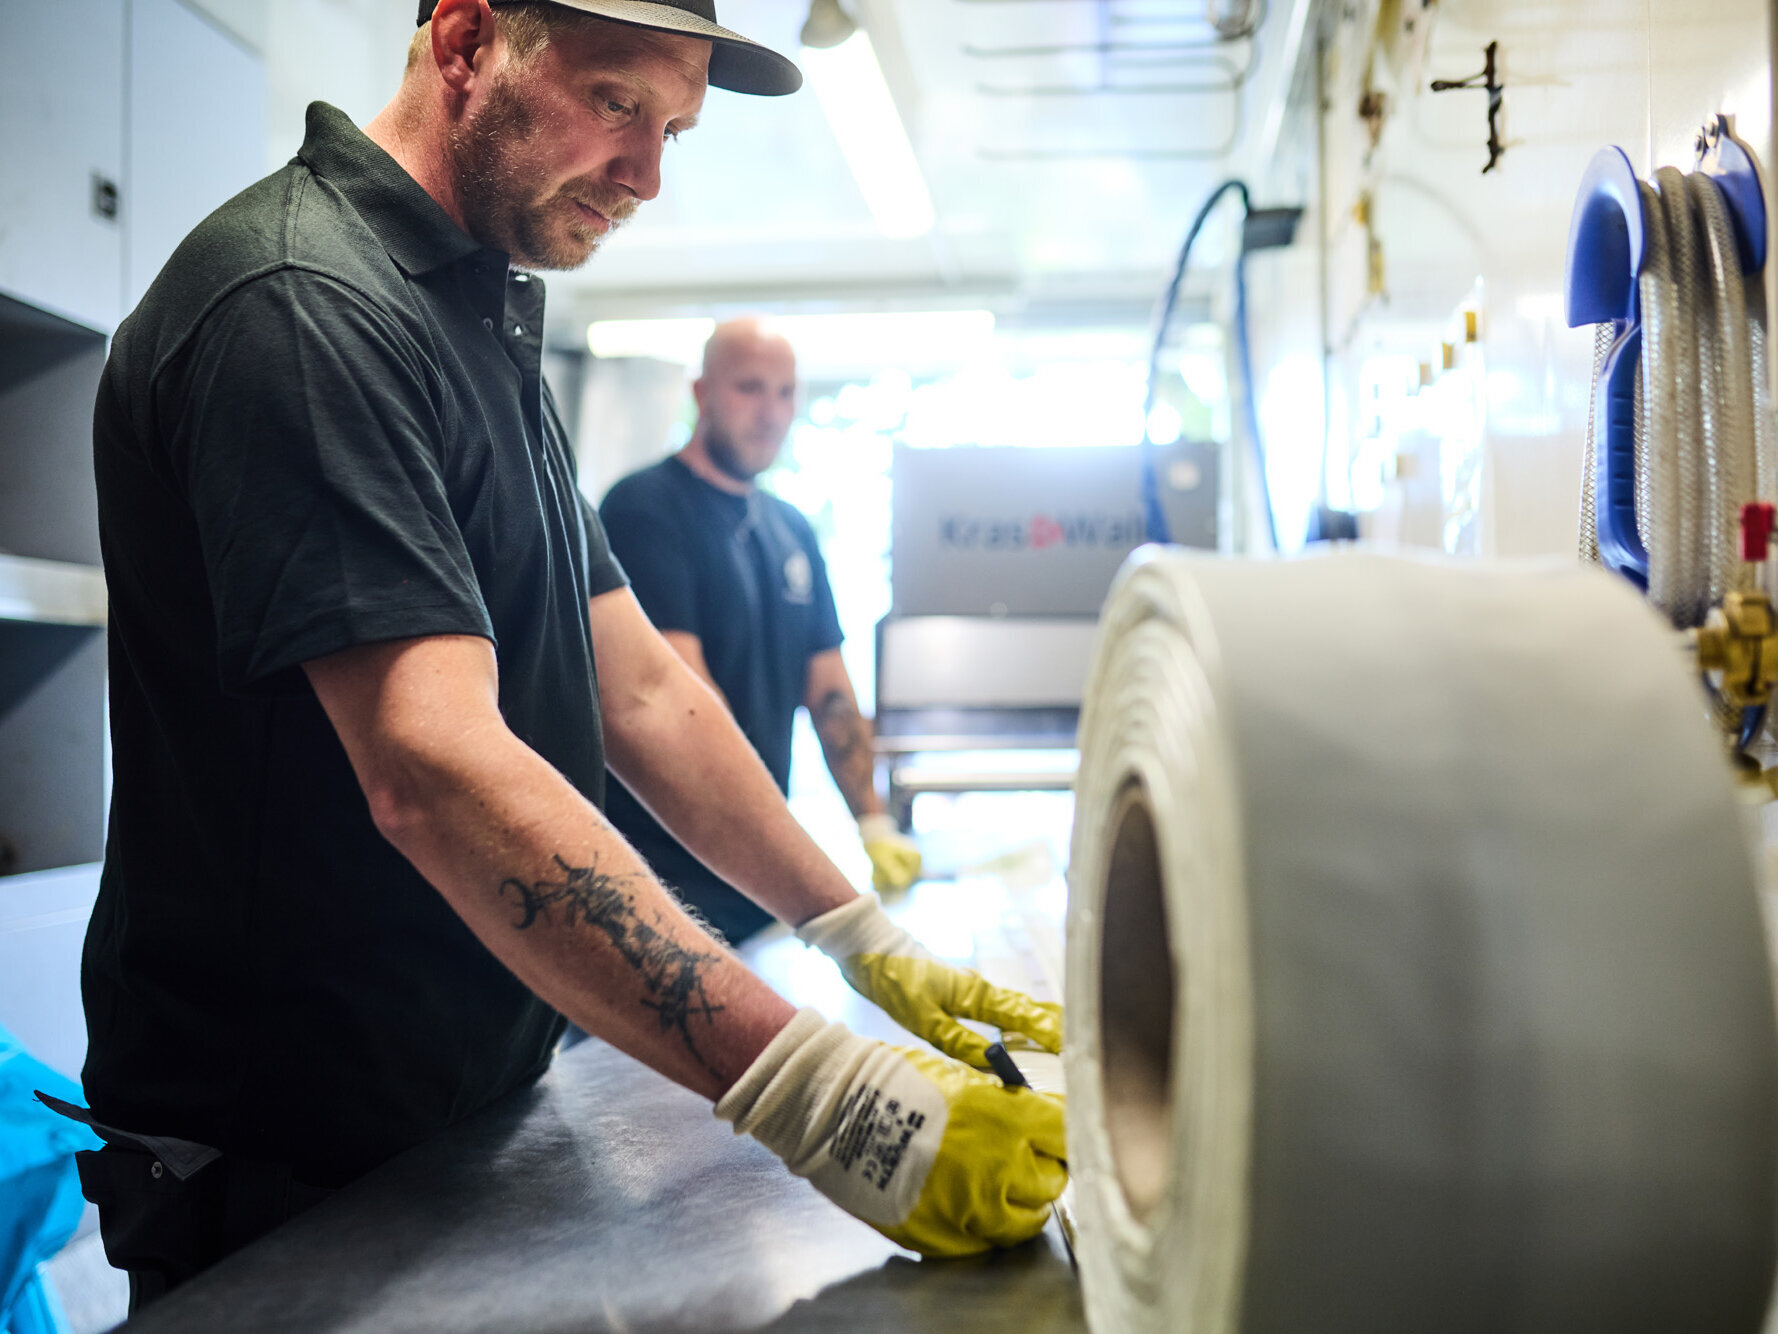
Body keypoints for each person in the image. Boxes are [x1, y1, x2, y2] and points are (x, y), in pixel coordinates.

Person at [69, 0, 1064, 1310]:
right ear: (468, 39)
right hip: (289, 1152)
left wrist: (853, 930)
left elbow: (639, 684)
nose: (649, 174)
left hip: (464, 1108)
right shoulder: (305, 304)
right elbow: (432, 760)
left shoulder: (468, 310)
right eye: (616, 103)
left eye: (673, 129)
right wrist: (828, 1095)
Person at [599, 319, 920, 946]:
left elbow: (829, 695)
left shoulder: (791, 529)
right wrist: (809, 876)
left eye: (785, 392)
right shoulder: (645, 510)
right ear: (702, 394)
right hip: (661, 884)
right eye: (750, 387)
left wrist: (874, 825)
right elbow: (683, 705)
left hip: (754, 876)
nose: (770, 412)